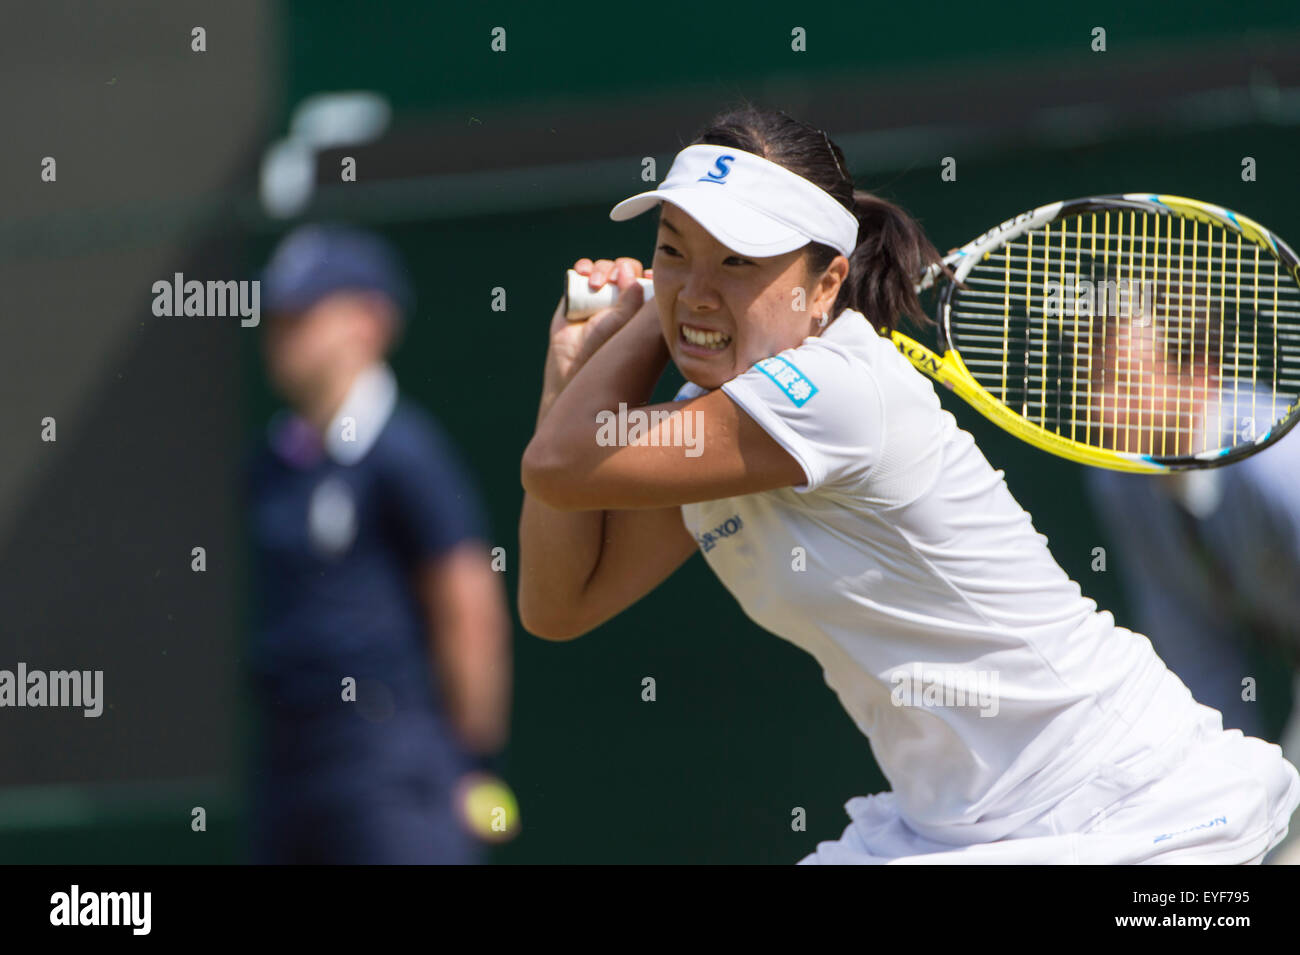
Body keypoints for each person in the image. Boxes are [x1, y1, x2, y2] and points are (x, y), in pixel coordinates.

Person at [517, 104, 1300, 863]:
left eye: (737, 259)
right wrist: (569, 376)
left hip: (1116, 802)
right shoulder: (706, 431)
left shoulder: (834, 390)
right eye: (673, 247)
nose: (697, 286)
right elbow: (561, 603)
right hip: (955, 825)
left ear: (825, 284)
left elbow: (561, 463)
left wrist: (654, 314)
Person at [246, 224, 512, 863]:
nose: (282, 333)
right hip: (287, 760)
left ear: (369, 323)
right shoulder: (269, 466)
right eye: (276, 316)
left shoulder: (407, 454)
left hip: (393, 762)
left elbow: (468, 605)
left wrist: (467, 761)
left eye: (304, 313)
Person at [1081, 288, 1300, 862]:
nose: (1101, 409)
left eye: (1124, 382)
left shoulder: (1278, 461)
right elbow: (1200, 659)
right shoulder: (1118, 481)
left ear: (1199, 376)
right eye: (1094, 381)